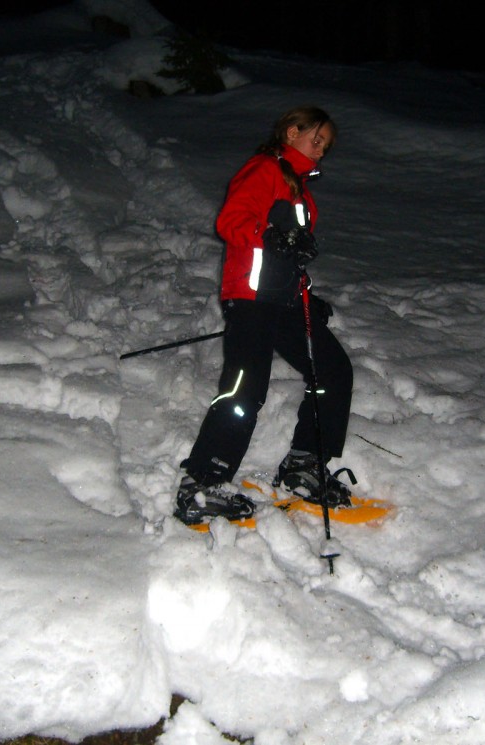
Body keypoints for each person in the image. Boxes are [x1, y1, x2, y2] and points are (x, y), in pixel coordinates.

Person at [174, 106, 355, 526]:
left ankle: (304, 463)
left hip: (286, 302)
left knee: (332, 371)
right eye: (317, 140)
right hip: (251, 299)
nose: (321, 150)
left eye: (326, 146)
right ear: (292, 132)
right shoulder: (263, 170)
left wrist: (307, 298)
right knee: (245, 390)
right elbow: (232, 221)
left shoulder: (301, 192)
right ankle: (201, 484)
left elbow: (287, 260)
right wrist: (272, 235)